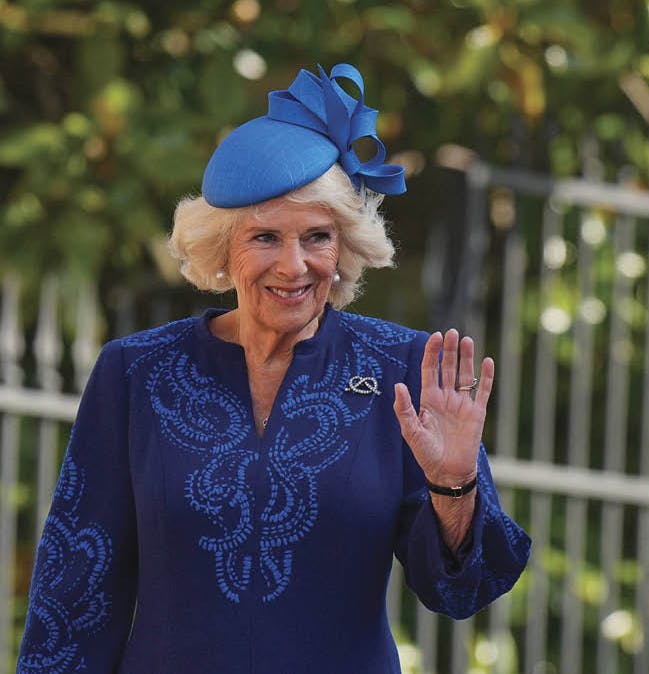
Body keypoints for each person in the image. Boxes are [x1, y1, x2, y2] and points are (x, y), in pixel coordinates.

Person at [16, 63, 530, 673]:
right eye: (264, 238)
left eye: (317, 236)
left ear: (344, 248)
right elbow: (76, 592)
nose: (294, 265)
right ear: (221, 247)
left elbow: (459, 592)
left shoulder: (405, 369)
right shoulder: (137, 373)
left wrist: (453, 487)